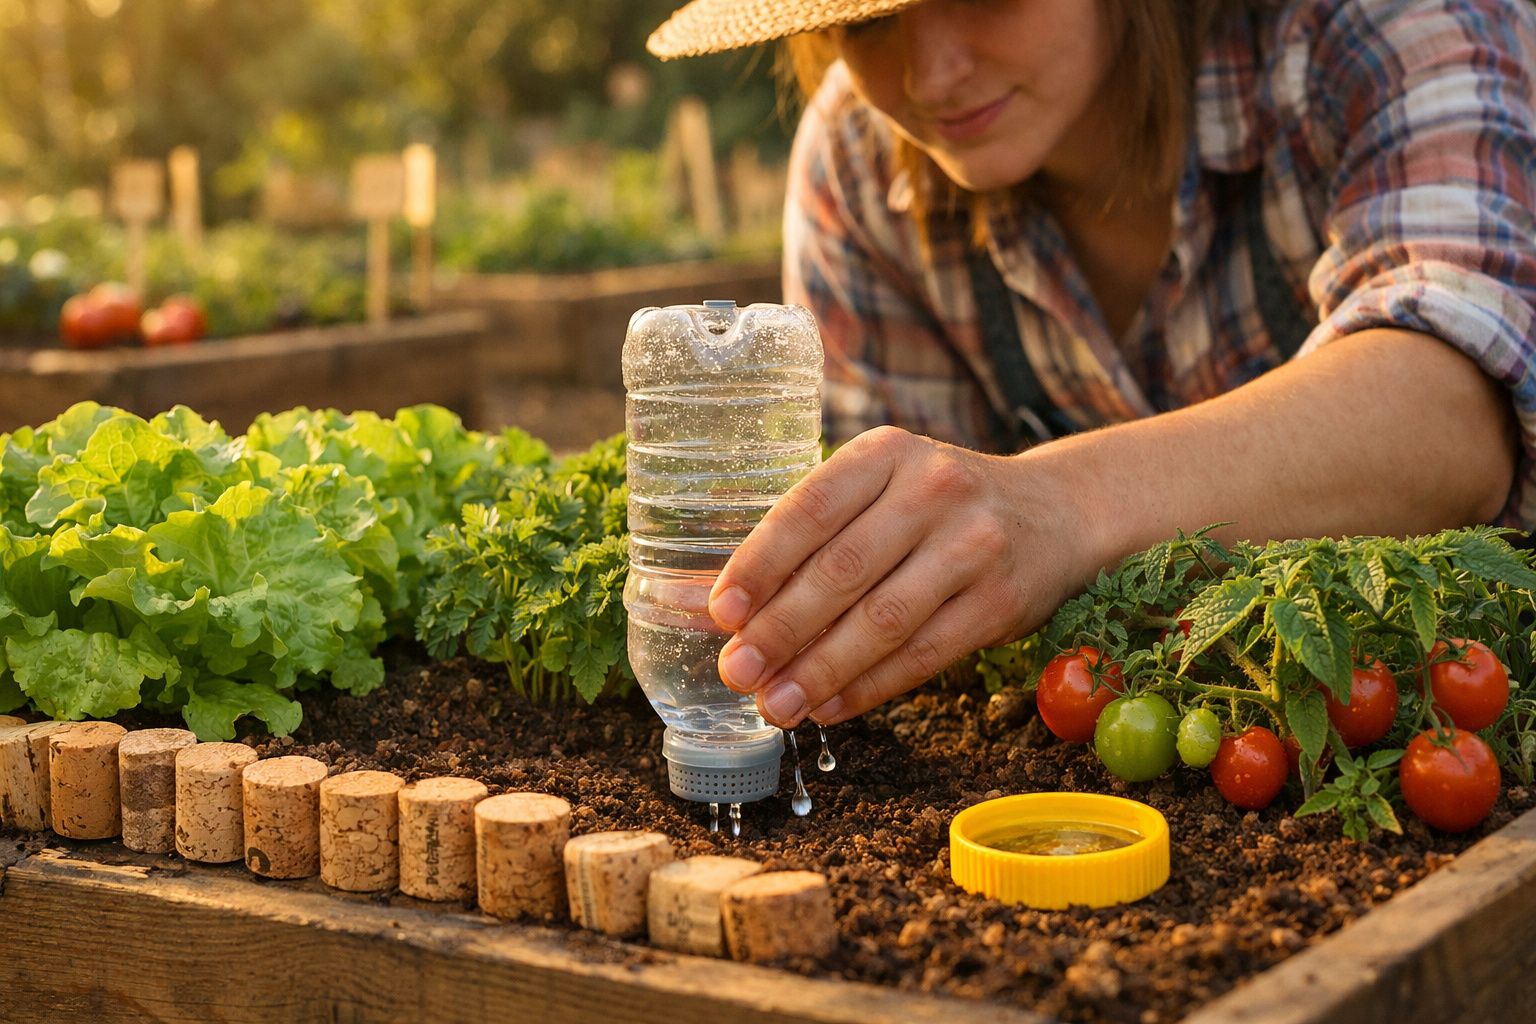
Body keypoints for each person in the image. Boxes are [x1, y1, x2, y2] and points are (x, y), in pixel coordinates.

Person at [645, 0, 1534, 733]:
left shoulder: (1380, 26)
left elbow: (1452, 406)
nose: (932, 74)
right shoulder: (859, 160)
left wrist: (1059, 504)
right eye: (869, 24)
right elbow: (924, 573)